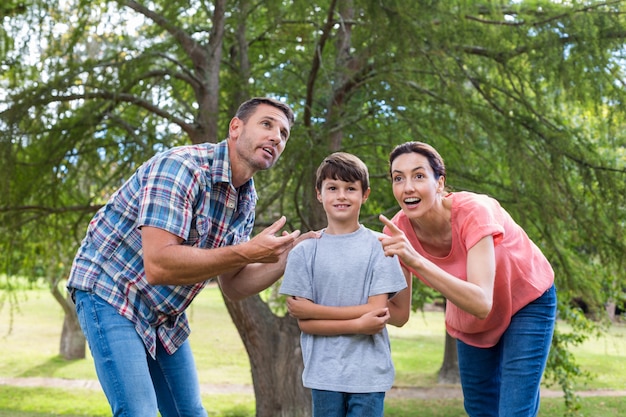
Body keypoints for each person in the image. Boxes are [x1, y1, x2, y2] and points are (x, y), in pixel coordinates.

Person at [67, 97, 314, 417]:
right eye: (267, 124)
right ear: (235, 128)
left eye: (283, 134)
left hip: (162, 313)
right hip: (110, 292)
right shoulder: (182, 168)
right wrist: (246, 252)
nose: (276, 137)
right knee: (138, 411)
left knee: (190, 413)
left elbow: (233, 286)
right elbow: (157, 264)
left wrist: (286, 257)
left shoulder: (245, 200)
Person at [378, 141, 557, 417]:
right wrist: (336, 305)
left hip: (527, 300)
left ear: (440, 183)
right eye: (398, 178)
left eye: (419, 175)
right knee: (480, 410)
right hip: (470, 317)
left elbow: (482, 301)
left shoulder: (474, 211)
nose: (408, 187)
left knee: (514, 411)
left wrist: (415, 260)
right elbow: (400, 314)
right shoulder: (397, 232)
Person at [279, 152, 410, 417]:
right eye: (333, 188)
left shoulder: (379, 247)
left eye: (350, 188)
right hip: (324, 375)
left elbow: (377, 310)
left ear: (365, 194)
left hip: (369, 375)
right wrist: (357, 323)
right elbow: (305, 324)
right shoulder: (304, 251)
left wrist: (313, 309)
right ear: (319, 193)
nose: (341, 195)